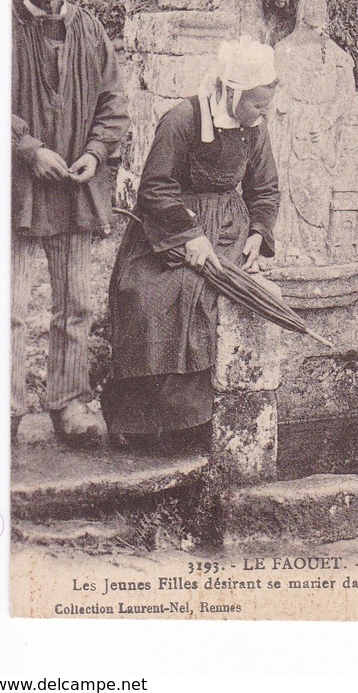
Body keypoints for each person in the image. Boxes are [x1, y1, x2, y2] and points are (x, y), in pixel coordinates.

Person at [102, 36, 280, 451]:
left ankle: (187, 423)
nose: (261, 111)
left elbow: (265, 188)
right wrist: (189, 235)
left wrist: (259, 232)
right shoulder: (182, 119)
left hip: (227, 231)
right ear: (232, 93)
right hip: (168, 227)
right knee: (145, 295)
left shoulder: (255, 128)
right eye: (255, 103)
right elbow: (156, 188)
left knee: (199, 295)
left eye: (265, 104)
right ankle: (138, 421)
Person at [12, 0, 129, 446]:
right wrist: (27, 148)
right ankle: (7, 406)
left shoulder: (91, 31)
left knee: (75, 304)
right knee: (9, 308)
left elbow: (113, 105)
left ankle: (67, 402)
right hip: (16, 189)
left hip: (75, 190)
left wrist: (94, 154)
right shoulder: (3, 28)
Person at [268, 0, 358, 265]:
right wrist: (284, 106)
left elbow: (346, 94)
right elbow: (274, 90)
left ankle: (315, 248)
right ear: (300, 10)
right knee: (285, 187)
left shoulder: (335, 54)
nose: (315, 11)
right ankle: (287, 247)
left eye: (320, 6)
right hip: (289, 130)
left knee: (315, 188)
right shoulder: (282, 49)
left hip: (320, 134)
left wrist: (324, 121)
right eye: (310, 6)